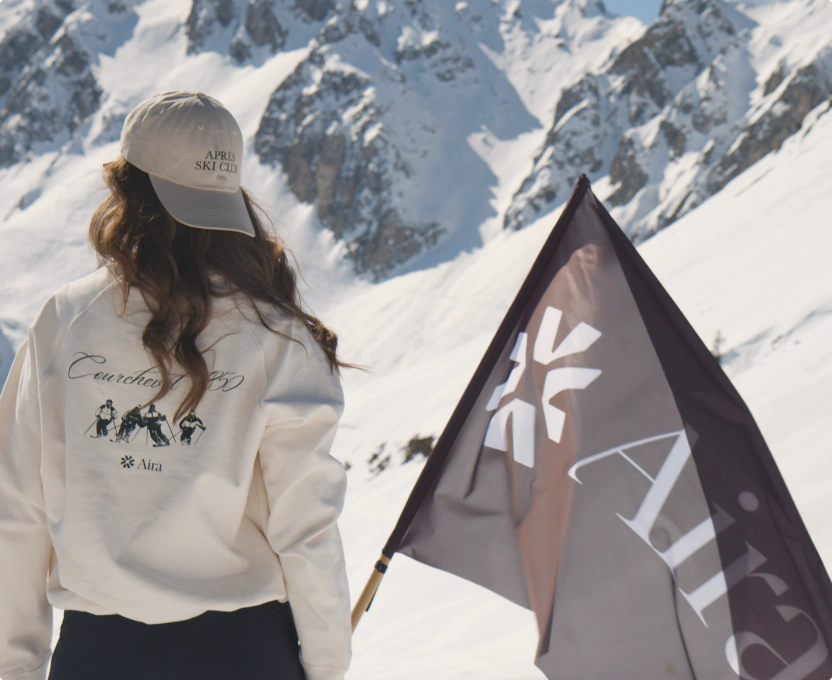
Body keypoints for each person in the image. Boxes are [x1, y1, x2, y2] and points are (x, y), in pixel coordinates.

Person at [0, 91, 357, 680]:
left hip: (99, 655)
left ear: (128, 188)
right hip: (246, 655)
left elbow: (17, 510)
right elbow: (307, 527)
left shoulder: (65, 320)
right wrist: (326, 667)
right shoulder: (279, 337)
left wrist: (15, 667)